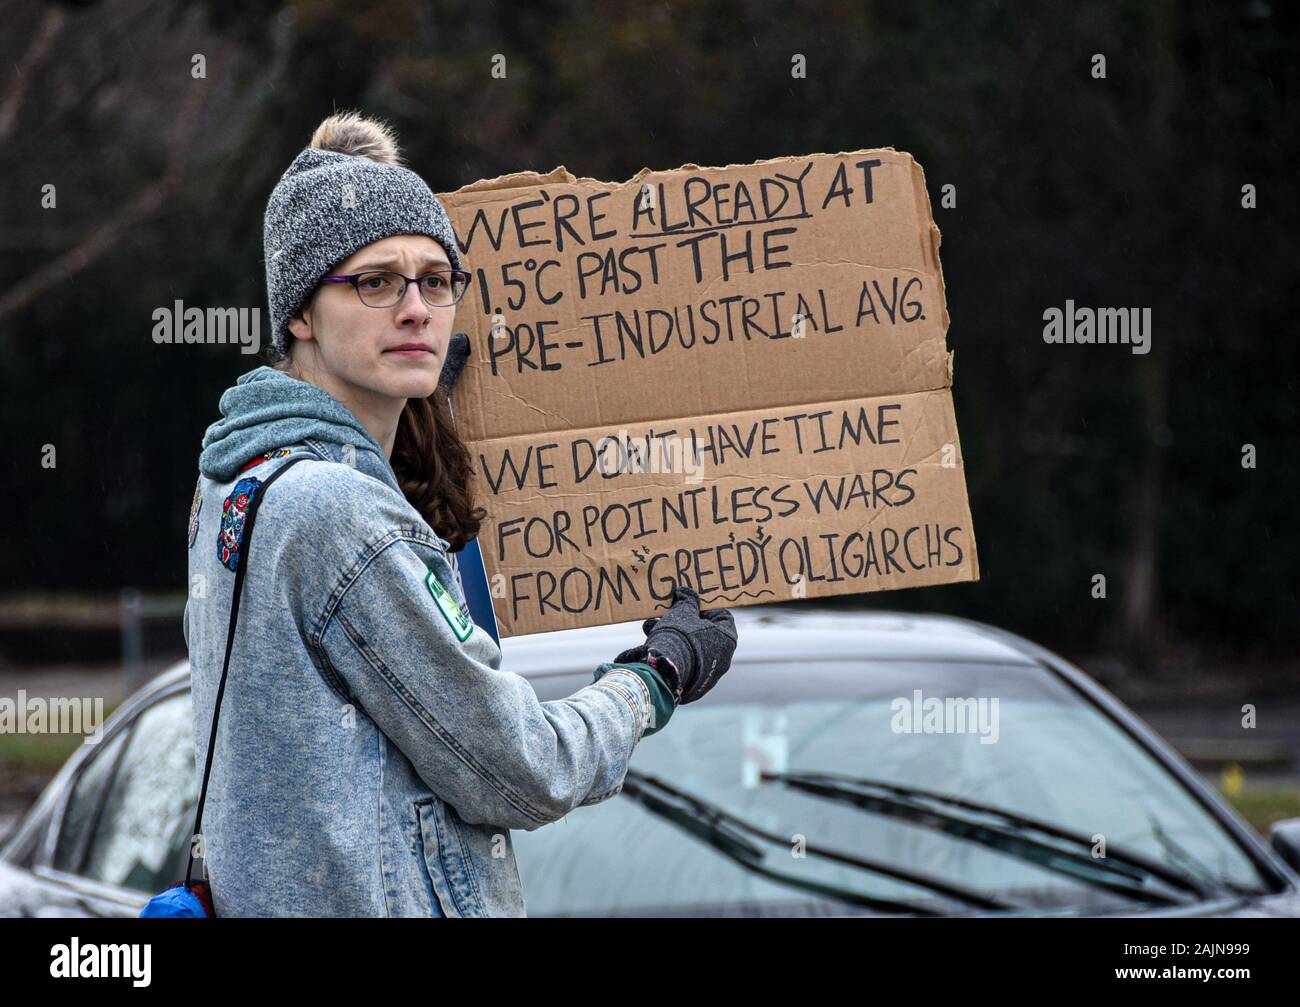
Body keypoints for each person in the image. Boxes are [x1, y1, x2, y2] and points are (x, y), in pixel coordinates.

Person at [184, 110, 739, 917]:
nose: (416, 309)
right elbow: (519, 769)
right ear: (299, 313)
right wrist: (654, 678)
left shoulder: (235, 480)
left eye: (436, 281)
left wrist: (423, 423)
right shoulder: (338, 512)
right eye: (374, 282)